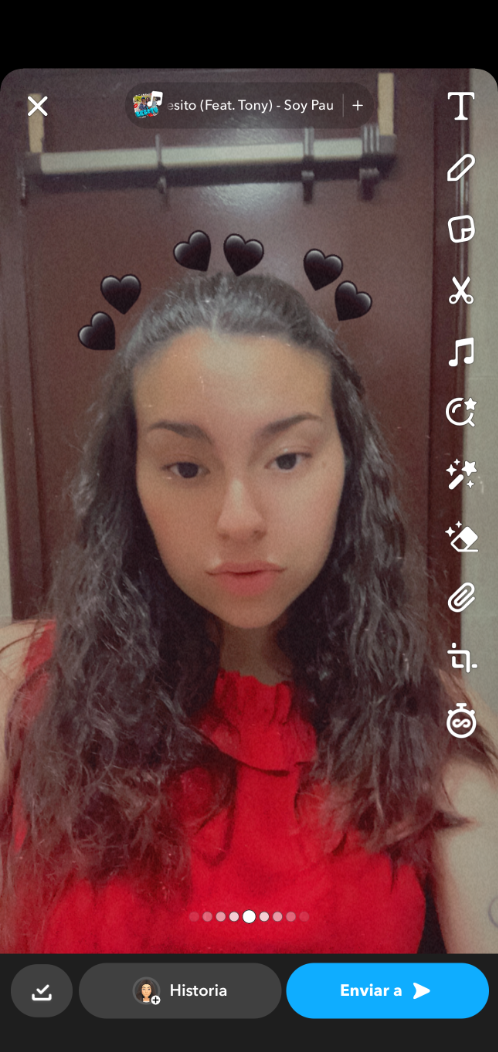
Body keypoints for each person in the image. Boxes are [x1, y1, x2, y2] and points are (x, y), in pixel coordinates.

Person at [0, 272, 497, 954]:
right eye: (186, 468)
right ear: (131, 484)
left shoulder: (430, 720)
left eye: (287, 459)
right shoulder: (22, 687)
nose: (240, 520)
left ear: (349, 469)